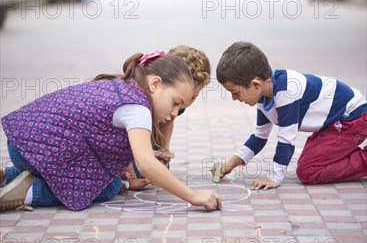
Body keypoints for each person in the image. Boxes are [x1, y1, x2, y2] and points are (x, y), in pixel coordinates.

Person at [0, 52, 221, 212]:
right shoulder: (138, 108)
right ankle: (29, 193)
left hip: (22, 141)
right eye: (175, 103)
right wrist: (192, 196)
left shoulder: (124, 86)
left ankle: (7, 176)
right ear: (155, 84)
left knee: (108, 177)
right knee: (109, 186)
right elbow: (145, 164)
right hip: (38, 149)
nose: (174, 113)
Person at [213, 41, 367, 190]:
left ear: (255, 84)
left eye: (235, 92)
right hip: (333, 123)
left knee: (308, 171)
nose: (234, 98)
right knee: (309, 164)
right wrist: (230, 164)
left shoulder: (287, 91)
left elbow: (286, 139)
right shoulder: (263, 94)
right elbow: (259, 136)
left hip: (352, 117)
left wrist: (274, 177)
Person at [125, 45, 211, 191]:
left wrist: (163, 149)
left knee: (162, 168)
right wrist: (132, 174)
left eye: (193, 98)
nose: (183, 106)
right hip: (125, 141)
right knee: (142, 171)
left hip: (144, 137)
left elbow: (168, 122)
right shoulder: (139, 104)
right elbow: (124, 138)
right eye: (177, 102)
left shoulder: (173, 101)